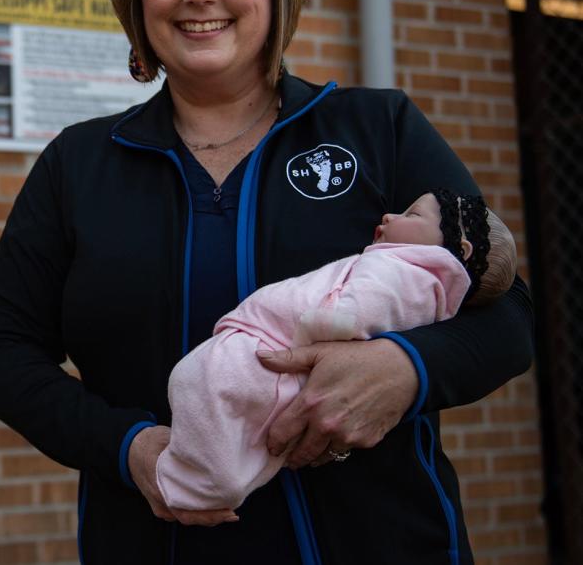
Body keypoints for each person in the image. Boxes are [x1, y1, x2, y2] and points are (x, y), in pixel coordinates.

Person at [0, 0, 533, 564]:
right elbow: (1, 355)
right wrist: (128, 447)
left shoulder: (378, 130)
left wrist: (404, 369)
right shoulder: (78, 165)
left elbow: (510, 314)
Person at [158, 190, 517, 524]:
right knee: (237, 421)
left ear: (461, 249)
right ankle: (216, 478)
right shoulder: (415, 278)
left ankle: (198, 483)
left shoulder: (407, 272)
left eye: (412, 214)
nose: (389, 215)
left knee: (193, 378)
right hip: (280, 355)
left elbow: (358, 313)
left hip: (281, 353)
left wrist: (314, 330)